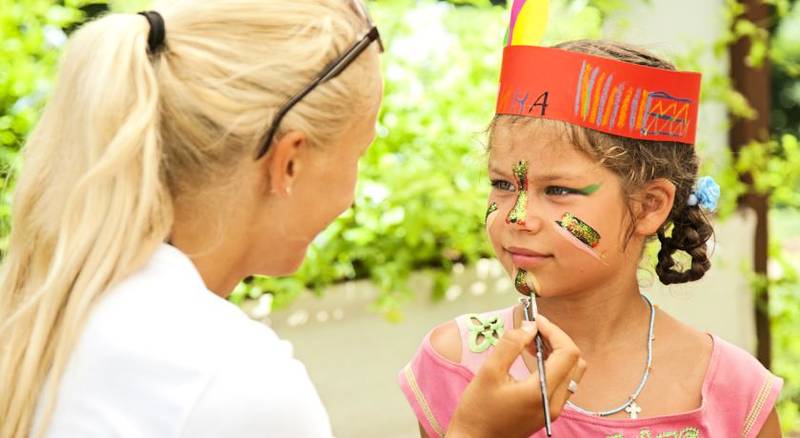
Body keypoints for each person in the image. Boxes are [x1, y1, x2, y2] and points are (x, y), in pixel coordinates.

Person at [0, 1, 584, 437]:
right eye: (357, 156)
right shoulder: (235, 383)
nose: (353, 196)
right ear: (289, 161)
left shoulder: (44, 304)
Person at [397, 13, 784, 438]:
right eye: (503, 184)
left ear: (648, 206)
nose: (516, 215)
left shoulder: (733, 391)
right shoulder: (457, 364)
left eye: (559, 191)